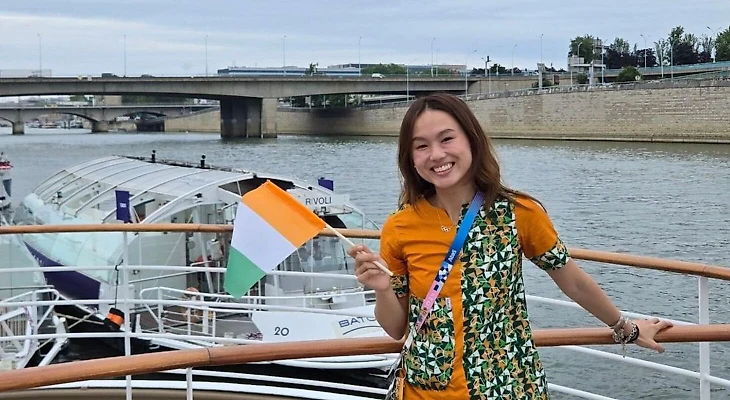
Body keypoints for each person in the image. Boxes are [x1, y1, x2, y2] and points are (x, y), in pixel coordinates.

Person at [348, 93, 672, 400]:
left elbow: (572, 280)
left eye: (447, 139)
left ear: (471, 140)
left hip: (508, 385)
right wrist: (382, 289)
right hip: (427, 390)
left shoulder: (518, 213)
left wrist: (626, 328)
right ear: (410, 158)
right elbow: (395, 328)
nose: (436, 154)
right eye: (421, 146)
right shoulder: (400, 226)